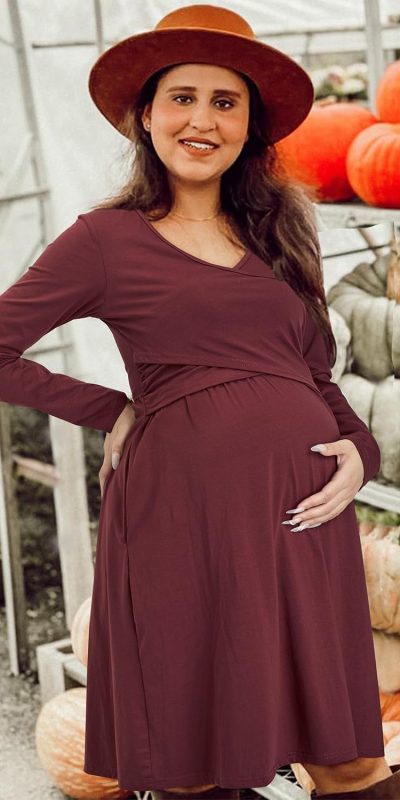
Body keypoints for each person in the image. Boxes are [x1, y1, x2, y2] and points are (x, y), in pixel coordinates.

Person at [0, 4, 398, 800]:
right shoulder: (104, 240)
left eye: (226, 102)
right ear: (146, 116)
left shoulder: (283, 231)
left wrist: (360, 453)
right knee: (197, 759)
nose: (203, 121)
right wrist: (112, 408)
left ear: (250, 126)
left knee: (350, 763)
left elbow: (314, 373)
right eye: (182, 98)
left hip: (302, 525)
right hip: (182, 518)